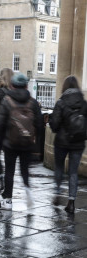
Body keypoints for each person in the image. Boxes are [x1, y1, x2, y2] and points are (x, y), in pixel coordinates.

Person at [0, 73, 42, 210]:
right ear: (27, 86)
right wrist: (37, 145)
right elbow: (39, 124)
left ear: (12, 86)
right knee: (25, 170)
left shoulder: (7, 100)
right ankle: (28, 193)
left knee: (10, 170)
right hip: (27, 143)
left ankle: (8, 200)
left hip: (10, 143)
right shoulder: (32, 102)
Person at [49, 75, 87, 214]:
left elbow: (54, 125)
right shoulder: (83, 103)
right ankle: (71, 202)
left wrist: (54, 123)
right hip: (78, 143)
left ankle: (58, 192)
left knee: (59, 168)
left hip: (62, 142)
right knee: (73, 172)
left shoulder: (61, 102)